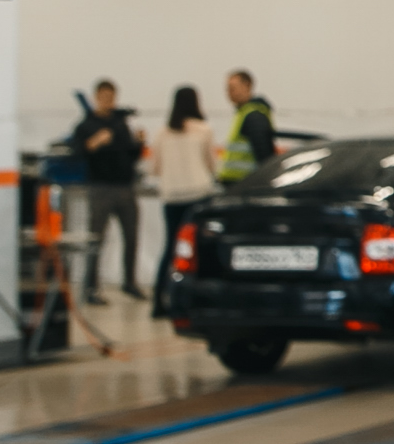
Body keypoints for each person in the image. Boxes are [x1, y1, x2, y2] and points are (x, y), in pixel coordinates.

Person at [66, 81, 144, 304]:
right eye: (104, 96)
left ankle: (130, 282)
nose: (108, 101)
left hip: (125, 187)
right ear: (96, 97)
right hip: (100, 188)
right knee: (96, 239)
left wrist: (138, 143)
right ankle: (91, 287)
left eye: (112, 96)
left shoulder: (121, 124)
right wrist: (95, 142)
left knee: (131, 236)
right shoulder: (86, 126)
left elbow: (131, 156)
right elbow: (77, 153)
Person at [151, 86, 217, 316]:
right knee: (198, 248)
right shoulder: (203, 130)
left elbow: (155, 168)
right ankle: (197, 299)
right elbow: (211, 164)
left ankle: (158, 300)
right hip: (199, 193)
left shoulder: (162, 133)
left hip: (172, 196)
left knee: (170, 247)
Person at [219, 70, 277, 184]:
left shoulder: (254, 116)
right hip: (237, 182)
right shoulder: (242, 113)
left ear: (247, 86)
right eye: (228, 89)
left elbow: (263, 154)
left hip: (244, 183)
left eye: (233, 88)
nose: (229, 92)